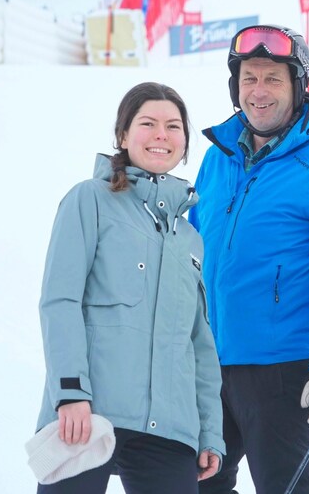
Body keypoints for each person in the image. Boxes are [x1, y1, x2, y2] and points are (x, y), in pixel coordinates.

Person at [188, 25, 309, 494]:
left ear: (297, 85)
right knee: (198, 484)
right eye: (249, 78)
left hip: (285, 368)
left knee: (287, 488)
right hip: (211, 364)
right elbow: (188, 255)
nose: (259, 91)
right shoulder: (218, 160)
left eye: (273, 78)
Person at [33, 82, 225, 493]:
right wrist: (70, 393)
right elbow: (60, 301)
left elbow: (199, 342)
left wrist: (209, 431)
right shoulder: (90, 200)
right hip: (89, 415)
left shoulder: (188, 238)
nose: (162, 135)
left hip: (170, 430)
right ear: (123, 135)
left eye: (173, 126)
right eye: (148, 123)